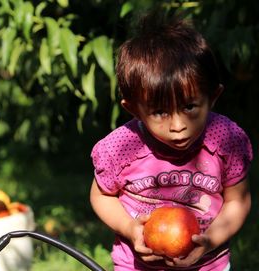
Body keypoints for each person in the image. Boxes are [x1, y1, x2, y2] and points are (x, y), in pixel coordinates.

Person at [89, 12, 253, 271]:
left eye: (190, 106)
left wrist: (209, 241)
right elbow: (101, 196)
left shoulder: (225, 140)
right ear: (133, 109)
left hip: (208, 265)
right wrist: (130, 229)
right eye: (159, 112)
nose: (178, 126)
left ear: (213, 97)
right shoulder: (121, 147)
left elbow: (238, 200)